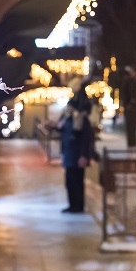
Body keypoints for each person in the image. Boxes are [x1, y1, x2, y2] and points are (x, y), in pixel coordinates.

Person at [57, 80, 94, 213]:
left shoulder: (81, 121)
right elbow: (61, 129)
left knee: (76, 182)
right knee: (70, 182)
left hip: (77, 155)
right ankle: (73, 205)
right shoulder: (68, 119)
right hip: (70, 154)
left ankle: (78, 206)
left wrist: (84, 155)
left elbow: (87, 139)